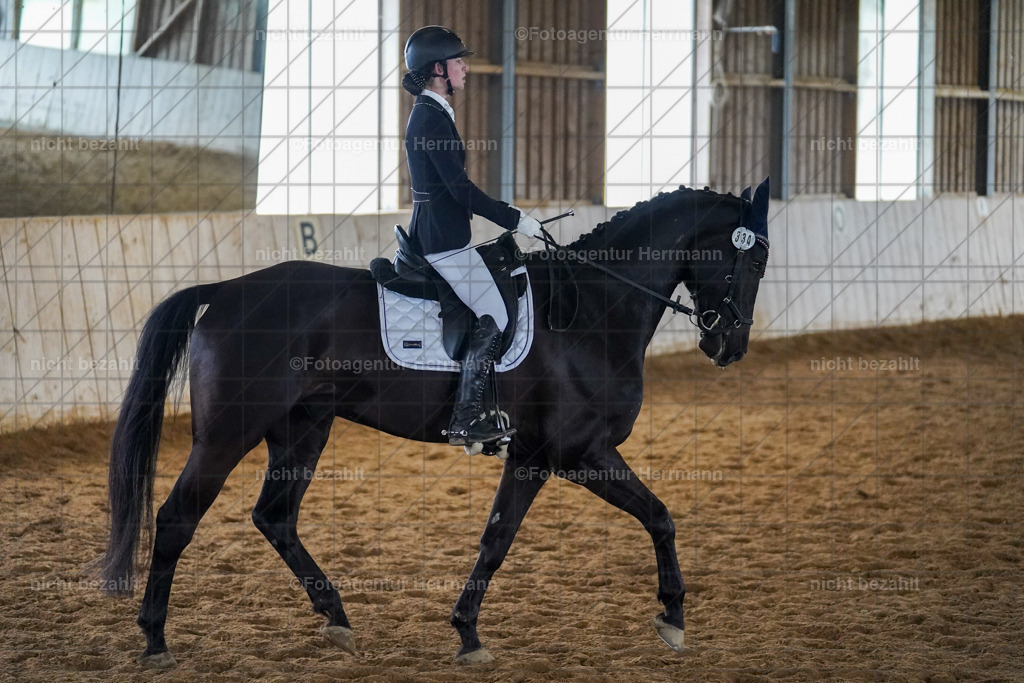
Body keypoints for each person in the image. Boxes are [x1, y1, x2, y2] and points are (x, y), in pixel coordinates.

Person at [401, 25, 542, 449]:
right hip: (443, 244)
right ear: (439, 69)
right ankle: (466, 419)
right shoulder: (429, 118)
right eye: (459, 61)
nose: (466, 68)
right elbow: (460, 191)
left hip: (441, 235)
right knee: (496, 316)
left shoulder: (435, 113)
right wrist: (515, 218)